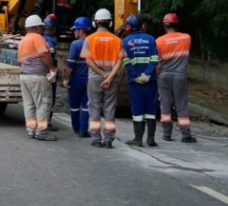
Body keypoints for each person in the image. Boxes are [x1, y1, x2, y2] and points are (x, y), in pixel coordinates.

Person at [81, 8, 123, 148]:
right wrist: (109, 77)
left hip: (94, 78)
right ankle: (109, 140)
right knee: (110, 108)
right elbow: (119, 62)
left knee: (94, 108)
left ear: (95, 23)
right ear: (110, 23)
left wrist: (102, 74)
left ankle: (96, 140)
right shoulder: (117, 40)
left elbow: (88, 61)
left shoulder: (89, 39)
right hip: (112, 79)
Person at [120, 14, 160, 147]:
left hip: (134, 82)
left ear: (128, 27)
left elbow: (125, 61)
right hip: (150, 80)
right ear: (142, 26)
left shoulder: (125, 42)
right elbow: (155, 59)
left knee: (137, 109)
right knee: (150, 108)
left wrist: (136, 75)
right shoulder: (151, 39)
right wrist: (147, 74)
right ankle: (151, 139)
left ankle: (138, 139)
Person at [156, 13, 196, 143]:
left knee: (165, 104)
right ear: (177, 24)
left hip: (164, 76)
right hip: (180, 76)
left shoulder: (159, 41)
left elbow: (157, 62)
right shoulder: (186, 38)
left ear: (164, 25)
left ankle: (167, 134)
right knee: (181, 104)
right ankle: (186, 135)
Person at [18, 14, 58, 141]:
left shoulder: (23, 41)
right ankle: (42, 131)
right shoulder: (38, 38)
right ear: (38, 27)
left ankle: (31, 130)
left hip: (24, 76)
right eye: (41, 27)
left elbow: (20, 62)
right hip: (38, 77)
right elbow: (44, 55)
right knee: (43, 104)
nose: (43, 30)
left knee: (29, 105)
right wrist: (52, 68)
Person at [65, 16, 91, 137]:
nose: (74, 32)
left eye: (76, 29)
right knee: (87, 105)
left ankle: (76, 128)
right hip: (89, 78)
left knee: (74, 105)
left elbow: (70, 64)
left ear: (81, 30)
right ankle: (83, 130)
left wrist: (66, 78)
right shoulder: (92, 42)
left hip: (76, 79)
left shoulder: (75, 44)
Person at [42, 14, 59, 131]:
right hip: (49, 74)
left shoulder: (41, 38)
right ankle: (46, 122)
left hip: (40, 72)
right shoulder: (50, 41)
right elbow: (51, 58)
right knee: (49, 98)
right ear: (53, 28)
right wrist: (54, 70)